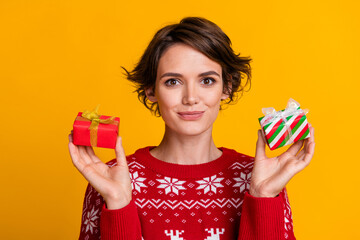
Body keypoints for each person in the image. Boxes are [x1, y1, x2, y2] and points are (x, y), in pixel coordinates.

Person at [69, 17, 315, 240]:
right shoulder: (110, 178)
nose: (191, 97)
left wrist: (263, 197)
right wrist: (119, 203)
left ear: (226, 88)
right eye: (173, 82)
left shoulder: (262, 178)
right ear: (151, 90)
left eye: (207, 80)